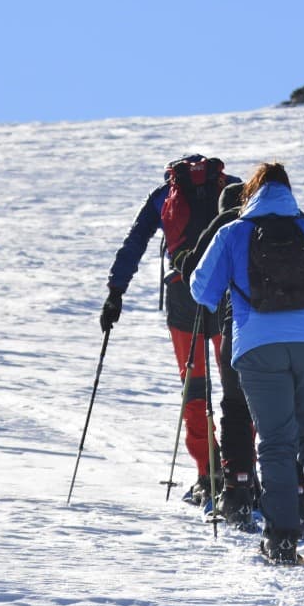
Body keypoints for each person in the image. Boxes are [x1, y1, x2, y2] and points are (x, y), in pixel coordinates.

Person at [188, 162, 304, 565]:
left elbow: (201, 289)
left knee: (276, 441)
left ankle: (281, 537)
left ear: (251, 193)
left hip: (258, 346)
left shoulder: (233, 232)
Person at [101, 155, 242, 504]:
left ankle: (208, 472)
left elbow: (135, 243)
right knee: (237, 383)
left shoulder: (163, 195)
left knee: (194, 385)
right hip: (226, 293)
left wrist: (115, 292)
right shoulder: (233, 186)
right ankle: (242, 470)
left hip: (182, 294)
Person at [173, 182, 259, 529]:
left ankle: (231, 484)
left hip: (234, 326)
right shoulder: (280, 224)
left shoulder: (223, 228)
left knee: (233, 407)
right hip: (288, 332)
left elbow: (193, 274)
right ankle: (297, 495)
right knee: (282, 412)